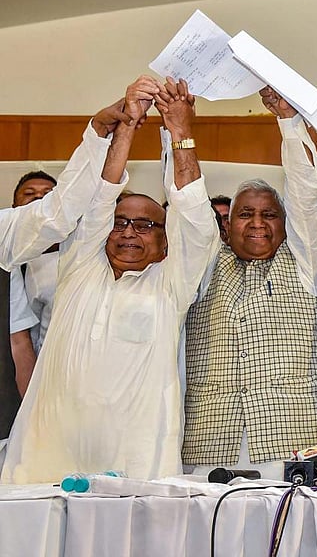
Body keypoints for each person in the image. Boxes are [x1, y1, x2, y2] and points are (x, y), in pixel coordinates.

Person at [2, 76, 220, 483]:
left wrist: (181, 131)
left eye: (144, 225)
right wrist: (126, 129)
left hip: (134, 466)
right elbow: (100, 196)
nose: (127, 233)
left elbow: (194, 219)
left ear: (165, 240)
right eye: (121, 223)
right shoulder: (80, 268)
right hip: (46, 456)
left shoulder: (172, 283)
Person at [182, 87, 317, 479]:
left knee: (296, 541)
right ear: (227, 223)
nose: (257, 224)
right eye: (245, 214)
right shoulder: (201, 265)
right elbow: (187, 204)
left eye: (269, 214)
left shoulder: (305, 260)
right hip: (211, 446)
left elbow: (307, 194)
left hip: (299, 442)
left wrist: (290, 122)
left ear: (284, 223)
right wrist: (179, 131)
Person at [12, 172, 59, 356]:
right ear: (13, 207)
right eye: (29, 193)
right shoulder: (6, 258)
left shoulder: (76, 258)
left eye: (48, 194)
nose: (39, 197)